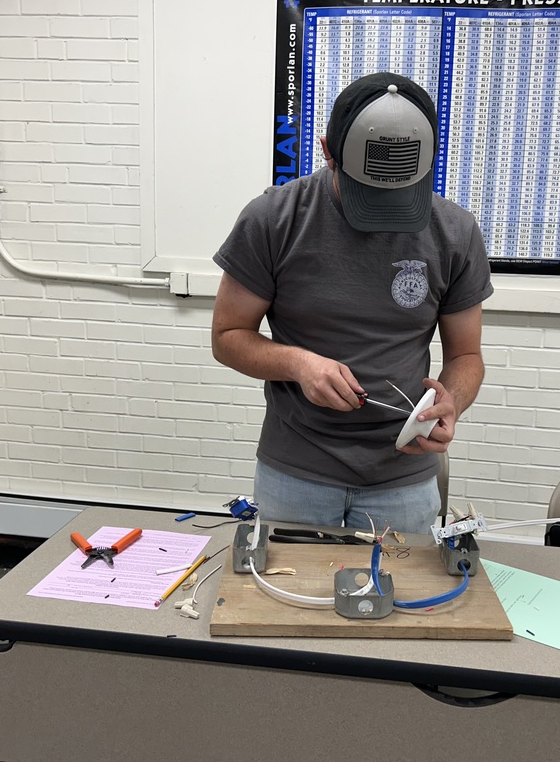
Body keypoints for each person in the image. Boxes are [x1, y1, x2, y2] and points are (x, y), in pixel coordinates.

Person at [211, 72, 493, 535]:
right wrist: (299, 364)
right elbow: (228, 338)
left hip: (402, 477)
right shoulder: (273, 220)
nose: (383, 210)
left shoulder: (455, 232)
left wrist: (451, 403)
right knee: (288, 604)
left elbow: (466, 355)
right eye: (368, 191)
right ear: (327, 150)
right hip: (295, 473)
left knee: (402, 602)